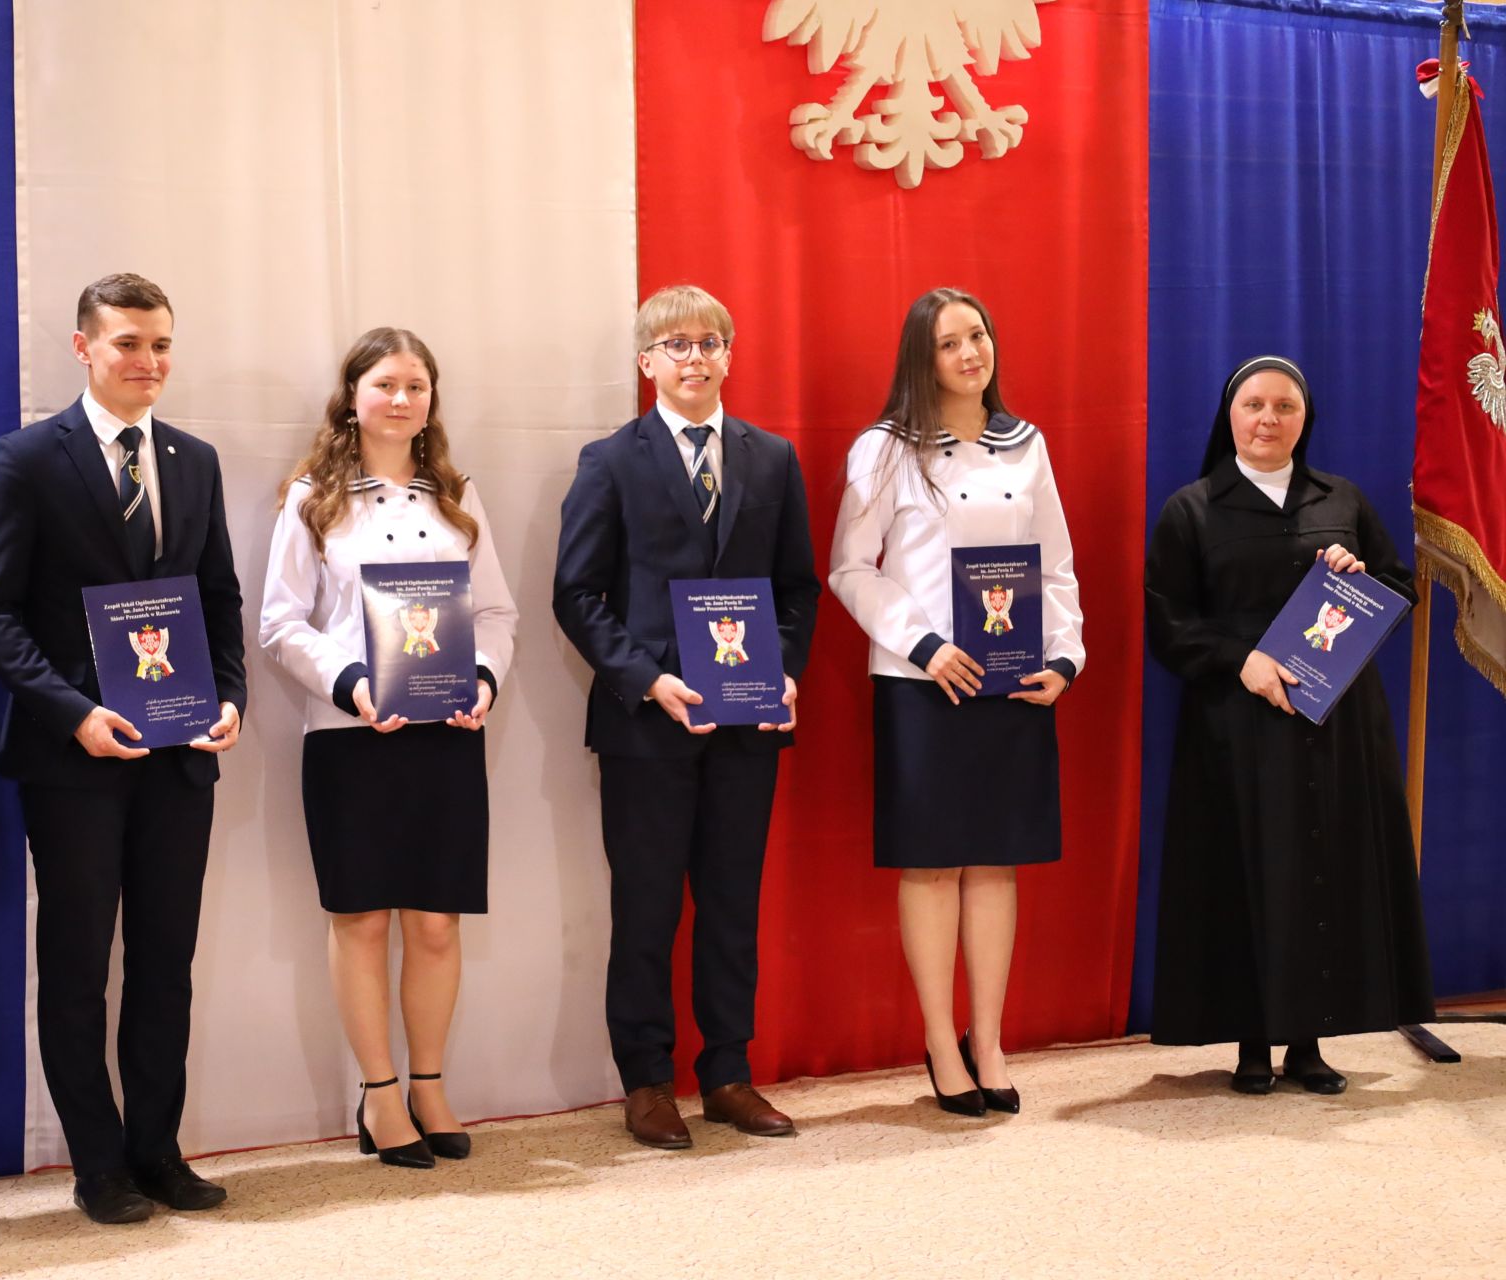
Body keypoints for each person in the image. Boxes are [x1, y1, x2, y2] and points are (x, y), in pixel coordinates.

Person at [0, 274, 247, 1221]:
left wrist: (231, 697)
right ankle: (98, 1163)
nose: (148, 361)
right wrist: (73, 712)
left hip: (179, 756)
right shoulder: (26, 458)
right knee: (79, 967)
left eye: (161, 344)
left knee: (166, 963)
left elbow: (218, 600)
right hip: (73, 759)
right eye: (128, 343)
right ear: (84, 347)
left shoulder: (195, 460)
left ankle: (157, 1150)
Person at [553, 284, 820, 1149]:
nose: (694, 357)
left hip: (747, 723)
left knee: (732, 904)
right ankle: (646, 1080)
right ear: (647, 362)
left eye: (709, 342)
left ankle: (729, 1073)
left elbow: (797, 589)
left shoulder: (771, 458)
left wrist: (783, 672)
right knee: (647, 908)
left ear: (729, 356)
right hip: (646, 726)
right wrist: (647, 680)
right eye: (676, 345)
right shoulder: (610, 461)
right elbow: (577, 595)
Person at [259, 327, 517, 1168]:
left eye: (416, 386)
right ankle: (378, 1093)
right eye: (385, 385)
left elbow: (497, 614)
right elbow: (280, 624)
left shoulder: (457, 495)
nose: (401, 400)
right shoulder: (313, 497)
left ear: (431, 400)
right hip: (351, 737)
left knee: (436, 923)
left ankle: (429, 1085)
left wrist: (482, 680)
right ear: (353, 397)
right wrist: (352, 685)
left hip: (446, 735)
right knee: (363, 918)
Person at [1145, 354, 1434, 1094]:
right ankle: (1251, 1043)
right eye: (1254, 405)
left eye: (1285, 407)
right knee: (1246, 871)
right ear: (1230, 415)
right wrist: (1239, 660)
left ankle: (1310, 1043)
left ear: (1305, 419)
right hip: (1235, 721)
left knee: (1323, 868)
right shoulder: (1191, 509)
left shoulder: (1343, 500)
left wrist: (1361, 577)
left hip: (1336, 722)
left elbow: (1399, 587)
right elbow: (1168, 623)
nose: (1268, 419)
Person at [829, 287, 1083, 1117]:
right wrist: (925, 644)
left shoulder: (1026, 444)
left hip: (1011, 679)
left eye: (979, 335)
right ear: (921, 358)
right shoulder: (884, 449)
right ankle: (941, 1041)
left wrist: (1064, 657)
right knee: (935, 862)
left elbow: (1055, 565)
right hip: (924, 682)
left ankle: (990, 1039)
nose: (971, 353)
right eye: (949, 343)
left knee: (996, 860)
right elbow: (850, 568)